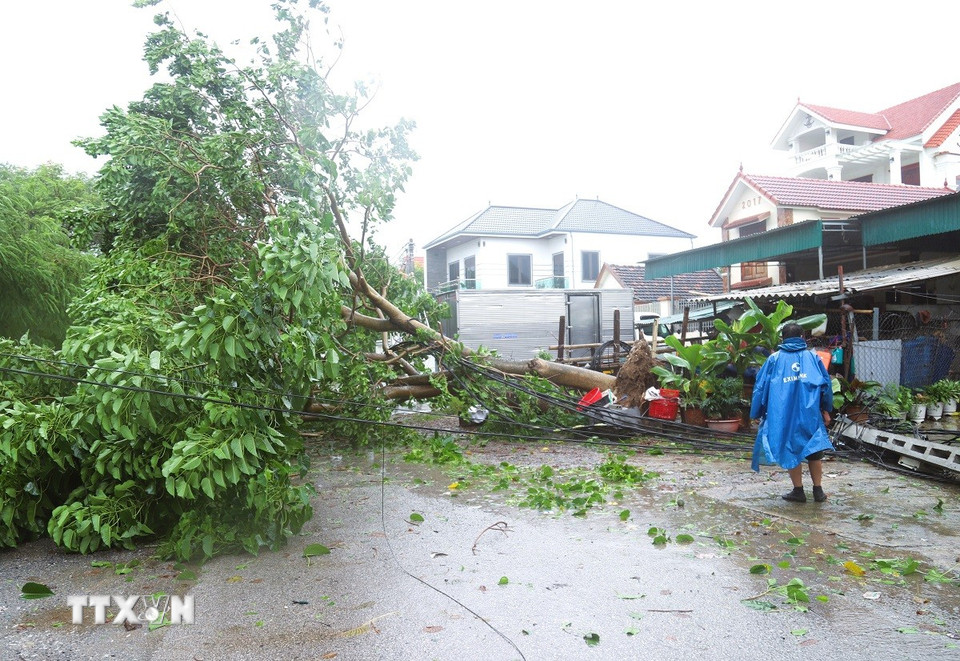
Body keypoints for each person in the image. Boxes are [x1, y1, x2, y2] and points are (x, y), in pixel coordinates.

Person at [750, 322, 834, 503]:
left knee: (791, 448)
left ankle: (798, 491)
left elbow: (760, 387)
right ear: (803, 337)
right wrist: (826, 410)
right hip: (810, 413)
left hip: (783, 414)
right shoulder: (813, 357)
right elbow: (825, 386)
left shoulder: (774, 359)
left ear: (783, 339)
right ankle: (818, 491)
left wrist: (757, 412)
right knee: (814, 449)